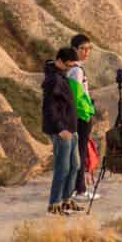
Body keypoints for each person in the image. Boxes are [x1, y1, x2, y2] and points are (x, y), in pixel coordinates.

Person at [42, 46, 82, 216]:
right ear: (59, 61)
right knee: (62, 167)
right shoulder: (53, 80)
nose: (70, 69)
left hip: (70, 129)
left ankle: (66, 199)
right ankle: (54, 203)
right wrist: (60, 129)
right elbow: (49, 108)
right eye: (68, 65)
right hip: (62, 131)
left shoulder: (61, 75)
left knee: (75, 165)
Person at [67, 33, 97, 201]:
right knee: (80, 152)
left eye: (88, 49)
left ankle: (75, 188)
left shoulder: (71, 68)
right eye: (83, 49)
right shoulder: (76, 71)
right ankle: (80, 189)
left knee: (77, 152)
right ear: (74, 49)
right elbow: (77, 97)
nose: (86, 52)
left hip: (77, 116)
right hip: (81, 117)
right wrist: (87, 113)